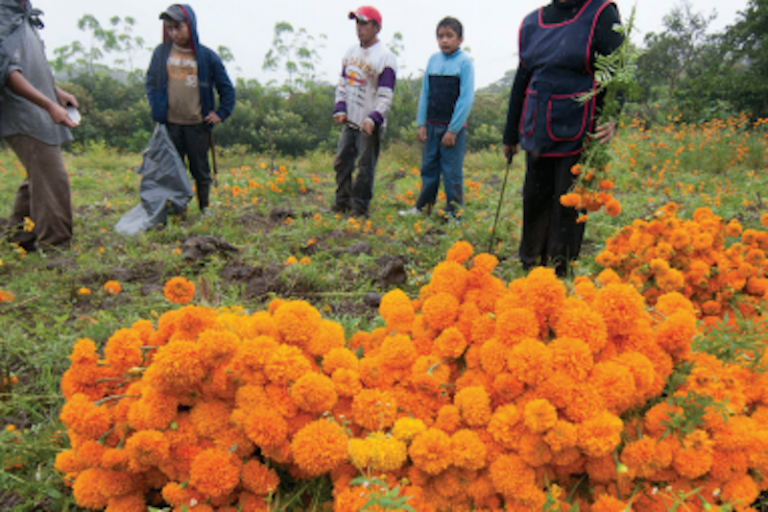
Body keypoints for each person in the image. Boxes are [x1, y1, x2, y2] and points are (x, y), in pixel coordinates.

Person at [503, 0, 623, 277]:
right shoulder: (532, 22)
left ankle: (561, 268)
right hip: (538, 125)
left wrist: (611, 115)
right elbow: (522, 79)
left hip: (580, 125)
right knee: (534, 196)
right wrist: (510, 133)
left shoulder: (602, 13)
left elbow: (616, 72)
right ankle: (531, 263)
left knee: (569, 201)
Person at [0, 0, 79, 254]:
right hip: (22, 113)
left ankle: (18, 235)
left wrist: (56, 93)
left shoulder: (22, 16)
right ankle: (55, 248)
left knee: (40, 172)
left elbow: (34, 68)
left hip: (37, 110)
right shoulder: (3, 17)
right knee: (52, 177)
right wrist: (48, 105)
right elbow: (10, 75)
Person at [145, 4, 235, 215]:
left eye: (178, 27)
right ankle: (177, 209)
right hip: (170, 125)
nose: (174, 33)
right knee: (172, 170)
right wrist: (156, 108)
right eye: (170, 28)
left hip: (197, 125)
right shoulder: (162, 53)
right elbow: (151, 82)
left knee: (200, 169)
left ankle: (204, 208)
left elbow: (227, 89)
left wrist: (220, 113)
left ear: (190, 26)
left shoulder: (207, 57)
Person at [399, 16, 474, 220]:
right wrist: (421, 123)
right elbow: (425, 93)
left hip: (452, 130)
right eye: (440, 36)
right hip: (431, 126)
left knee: (451, 172)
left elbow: (466, 98)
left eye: (449, 36)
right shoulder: (433, 60)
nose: (444, 40)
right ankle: (422, 207)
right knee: (429, 168)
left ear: (460, 39)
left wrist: (453, 129)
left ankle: (454, 213)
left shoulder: (465, 63)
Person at [331, 5, 397, 218]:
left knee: (364, 166)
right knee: (342, 161)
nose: (359, 28)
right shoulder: (351, 52)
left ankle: (360, 208)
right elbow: (342, 83)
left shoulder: (385, 57)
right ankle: (342, 202)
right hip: (350, 120)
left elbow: (385, 94)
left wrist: (374, 118)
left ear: (376, 27)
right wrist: (340, 107)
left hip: (369, 123)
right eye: (357, 23)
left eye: (364, 23)